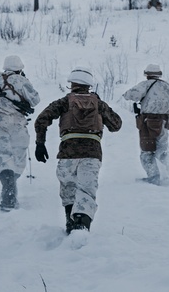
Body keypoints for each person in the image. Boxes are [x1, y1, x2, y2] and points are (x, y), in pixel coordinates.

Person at [34, 67, 122, 233]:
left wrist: (40, 143)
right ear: (89, 85)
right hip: (92, 153)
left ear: (72, 84)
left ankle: (70, 222)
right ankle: (81, 227)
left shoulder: (64, 102)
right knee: (86, 192)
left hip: (68, 152)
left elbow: (42, 119)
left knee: (68, 189)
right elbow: (116, 125)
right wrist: (100, 110)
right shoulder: (99, 104)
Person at [0, 55, 40, 211]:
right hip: (16, 124)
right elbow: (35, 99)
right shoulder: (21, 80)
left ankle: (8, 193)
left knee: (4, 159)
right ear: (20, 68)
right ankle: (10, 194)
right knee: (18, 159)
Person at [123, 64, 169, 184]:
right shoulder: (167, 86)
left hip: (148, 123)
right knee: (162, 150)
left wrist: (125, 95)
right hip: (163, 122)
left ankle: (153, 177)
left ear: (147, 74)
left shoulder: (145, 85)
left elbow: (131, 95)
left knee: (147, 152)